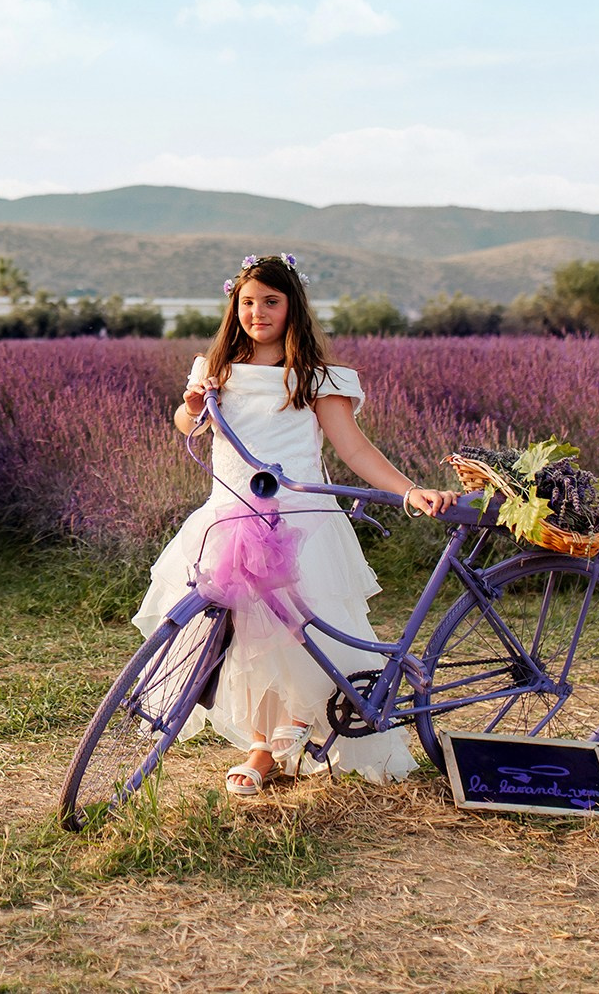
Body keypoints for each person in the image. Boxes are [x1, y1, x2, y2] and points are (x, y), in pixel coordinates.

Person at [132, 254, 460, 796]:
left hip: (299, 521)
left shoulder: (312, 378)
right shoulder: (215, 368)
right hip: (228, 514)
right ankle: (268, 741)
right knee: (243, 634)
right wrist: (192, 406)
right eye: (248, 302)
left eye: (271, 302)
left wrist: (408, 490)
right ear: (234, 306)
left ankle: (277, 740)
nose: (257, 312)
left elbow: (353, 447)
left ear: (293, 308)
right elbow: (187, 423)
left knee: (293, 633)